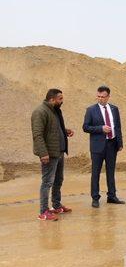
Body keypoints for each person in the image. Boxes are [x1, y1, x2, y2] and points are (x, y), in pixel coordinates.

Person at [31, 88, 74, 221]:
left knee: (58, 180)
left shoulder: (54, 111)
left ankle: (56, 205)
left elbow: (52, 129)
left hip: (59, 151)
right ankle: (43, 211)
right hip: (49, 153)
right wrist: (43, 153)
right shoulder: (40, 112)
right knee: (47, 182)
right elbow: (37, 134)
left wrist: (64, 131)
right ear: (52, 99)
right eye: (60, 98)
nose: (62, 101)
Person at [82, 85, 125, 208]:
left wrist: (120, 143)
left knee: (110, 172)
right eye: (98, 96)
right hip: (97, 146)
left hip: (112, 144)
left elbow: (118, 127)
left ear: (108, 97)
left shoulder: (114, 109)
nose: (100, 99)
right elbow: (85, 127)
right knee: (95, 173)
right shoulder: (91, 110)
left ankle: (112, 196)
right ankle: (95, 198)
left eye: (103, 97)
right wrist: (100, 128)